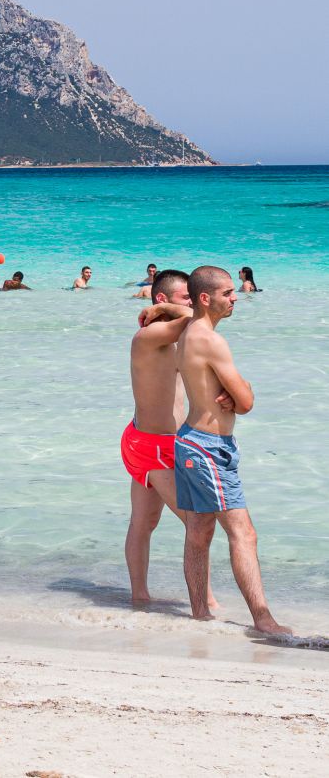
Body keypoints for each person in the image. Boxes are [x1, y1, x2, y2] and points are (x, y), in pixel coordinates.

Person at [175, 266, 287, 634]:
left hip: (192, 440)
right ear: (206, 298)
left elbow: (237, 398)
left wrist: (236, 392)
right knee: (243, 532)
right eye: (227, 293)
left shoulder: (191, 331)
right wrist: (243, 389)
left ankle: (199, 615)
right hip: (208, 447)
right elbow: (246, 402)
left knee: (199, 529)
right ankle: (263, 620)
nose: (235, 296)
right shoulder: (210, 340)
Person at [122, 269, 219, 608]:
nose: (190, 304)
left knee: (145, 521)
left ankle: (139, 597)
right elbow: (203, 317)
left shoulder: (178, 341)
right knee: (198, 521)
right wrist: (184, 310)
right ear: (161, 301)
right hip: (151, 446)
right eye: (184, 298)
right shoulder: (149, 336)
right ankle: (205, 603)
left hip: (160, 443)